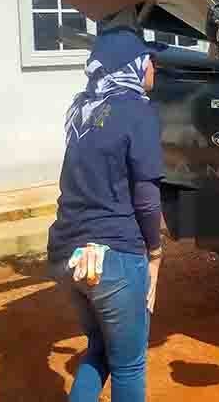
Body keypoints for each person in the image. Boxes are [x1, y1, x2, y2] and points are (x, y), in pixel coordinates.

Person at [48, 27, 165, 402]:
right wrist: (155, 251)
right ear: (135, 65)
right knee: (129, 365)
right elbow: (146, 198)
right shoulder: (138, 111)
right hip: (114, 257)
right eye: (149, 59)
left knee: (99, 347)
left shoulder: (81, 111)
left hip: (65, 254)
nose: (154, 66)